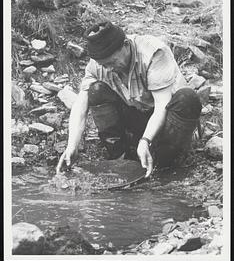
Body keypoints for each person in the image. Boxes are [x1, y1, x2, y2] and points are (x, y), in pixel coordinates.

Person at [57, 21, 202, 177]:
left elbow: (161, 106)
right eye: (104, 65)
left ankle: (163, 164)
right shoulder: (98, 63)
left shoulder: (154, 53)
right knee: (96, 90)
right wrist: (72, 145)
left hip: (169, 120)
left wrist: (145, 140)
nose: (109, 69)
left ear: (126, 45)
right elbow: (81, 104)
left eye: (112, 62)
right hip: (137, 115)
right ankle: (120, 159)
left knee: (188, 98)